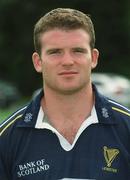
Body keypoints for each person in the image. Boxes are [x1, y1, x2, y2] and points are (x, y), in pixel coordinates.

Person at [0, 8, 130, 180]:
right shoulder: (7, 138)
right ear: (38, 62)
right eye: (55, 52)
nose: (68, 61)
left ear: (94, 58)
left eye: (78, 51)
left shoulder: (126, 129)